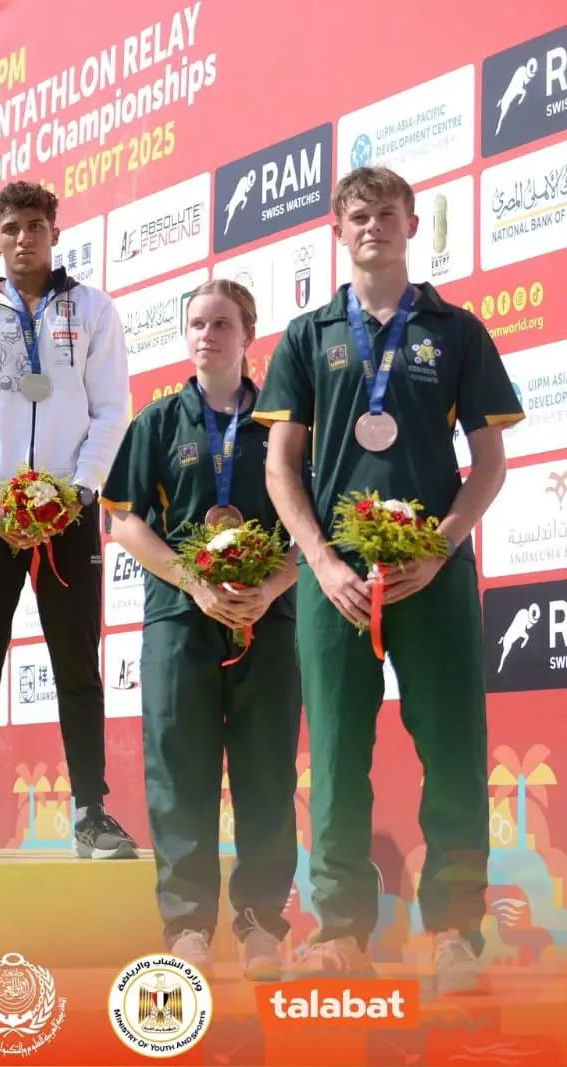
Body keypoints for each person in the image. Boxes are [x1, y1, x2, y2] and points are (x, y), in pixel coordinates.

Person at [255, 166, 523, 995]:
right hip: (334, 580)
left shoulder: (456, 329)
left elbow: (489, 462)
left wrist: (440, 547)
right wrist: (320, 560)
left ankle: (455, 932)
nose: (373, 225)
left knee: (455, 750)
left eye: (387, 213)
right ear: (339, 232)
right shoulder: (307, 335)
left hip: (432, 573)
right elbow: (280, 467)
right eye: (358, 216)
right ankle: (341, 931)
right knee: (336, 756)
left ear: (413, 223)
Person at [0, 180, 136, 860]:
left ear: (55, 231)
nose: (24, 238)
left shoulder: (92, 307)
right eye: (12, 228)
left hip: (67, 512)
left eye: (35, 226)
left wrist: (78, 492)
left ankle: (92, 813)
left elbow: (112, 408)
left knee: (77, 662)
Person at [100, 279, 300, 979]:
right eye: (196, 323)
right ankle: (187, 923)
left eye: (221, 323)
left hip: (267, 619)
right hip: (182, 618)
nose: (207, 335)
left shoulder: (281, 425)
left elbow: (310, 528)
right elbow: (124, 522)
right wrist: (194, 583)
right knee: (179, 771)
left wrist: (270, 588)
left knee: (267, 771)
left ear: (248, 334)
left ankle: (259, 922)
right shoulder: (159, 421)